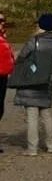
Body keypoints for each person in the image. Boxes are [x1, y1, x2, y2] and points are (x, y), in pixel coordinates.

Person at [14, 14, 52, 156]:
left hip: (31, 80)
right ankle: (51, 145)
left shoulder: (34, 41)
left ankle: (32, 148)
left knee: (32, 115)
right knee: (46, 113)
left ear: (40, 26)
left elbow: (22, 56)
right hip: (47, 80)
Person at [0, 12, 13, 154]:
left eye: (4, 20)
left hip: (3, 75)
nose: (3, 23)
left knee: (0, 108)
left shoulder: (3, 37)